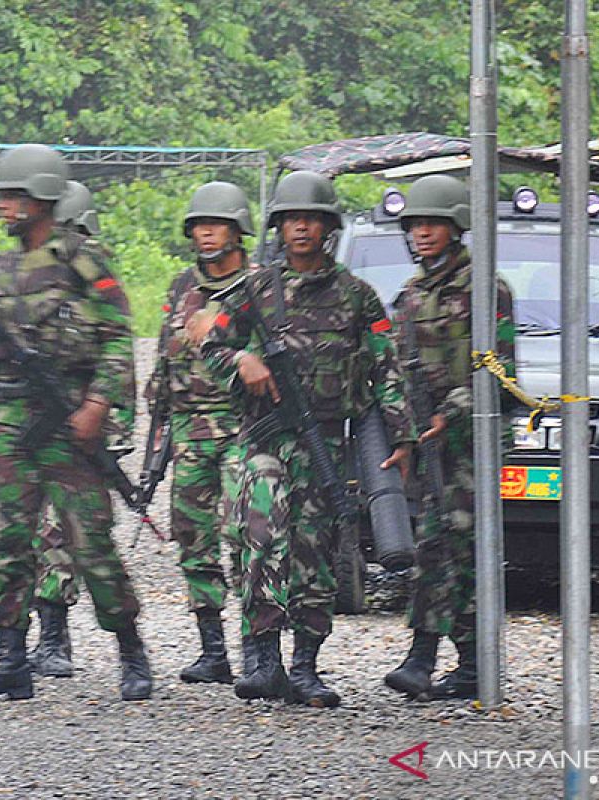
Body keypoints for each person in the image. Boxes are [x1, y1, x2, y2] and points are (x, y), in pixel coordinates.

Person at [202, 170, 414, 707]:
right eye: (292, 219)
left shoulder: (358, 298)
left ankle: (305, 667)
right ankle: (262, 658)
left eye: (311, 219)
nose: (301, 228)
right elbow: (210, 346)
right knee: (261, 540)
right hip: (265, 441)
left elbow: (386, 369)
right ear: (279, 226)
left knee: (316, 551)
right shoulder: (255, 289)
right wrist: (242, 360)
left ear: (327, 228)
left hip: (325, 442)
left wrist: (401, 437)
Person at [0, 144, 151, 702]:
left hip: (69, 424)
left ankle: (131, 650)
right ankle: (10, 659)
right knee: (4, 540)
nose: (4, 206)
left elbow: (117, 339)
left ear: (44, 198)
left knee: (91, 547)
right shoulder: (0, 270)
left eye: (14, 196)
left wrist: (96, 406)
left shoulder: (85, 259)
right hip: (15, 424)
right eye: (2, 197)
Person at [382, 174, 516, 702]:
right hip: (428, 440)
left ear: (456, 227)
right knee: (438, 549)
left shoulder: (486, 289)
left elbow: (499, 369)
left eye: (433, 224)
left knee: (456, 549)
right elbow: (395, 369)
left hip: (470, 444)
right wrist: (407, 432)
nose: (422, 233)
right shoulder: (411, 295)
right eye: (415, 224)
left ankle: (444, 661)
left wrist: (450, 414)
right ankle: (447, 662)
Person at [145, 181, 254, 685]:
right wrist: (158, 416)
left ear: (237, 230)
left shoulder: (260, 285)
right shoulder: (181, 287)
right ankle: (213, 650)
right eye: (198, 226)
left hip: (244, 430)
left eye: (216, 225)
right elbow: (165, 360)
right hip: (190, 432)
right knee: (194, 540)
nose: (206, 233)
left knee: (250, 537)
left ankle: (259, 647)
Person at [24, 180, 102, 679]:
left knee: (59, 531)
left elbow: (115, 359)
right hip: (31, 424)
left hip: (76, 428)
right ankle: (28, 637)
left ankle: (55, 637)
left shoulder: (94, 282)